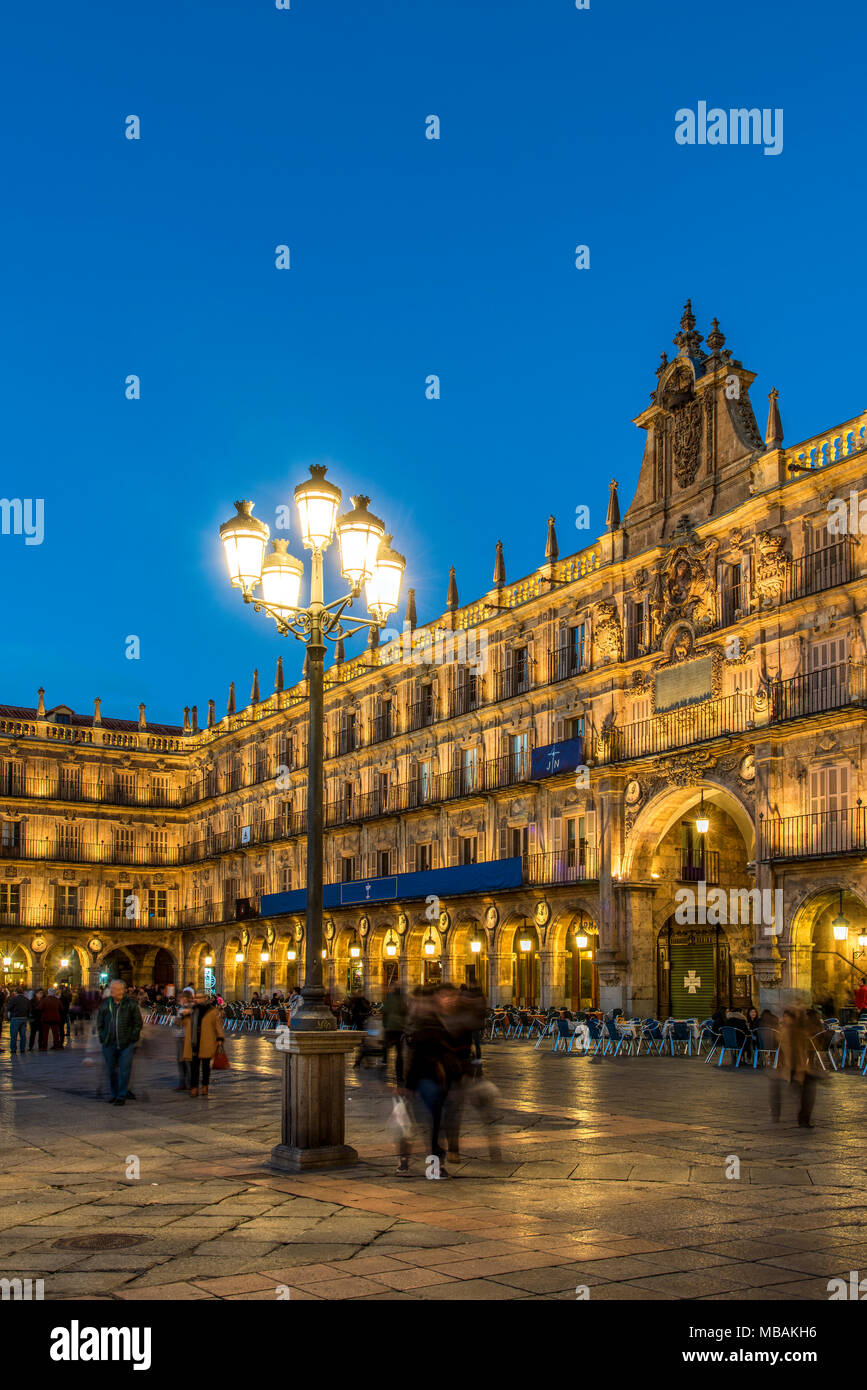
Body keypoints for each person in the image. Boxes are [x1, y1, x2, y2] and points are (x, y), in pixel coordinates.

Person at [97, 980, 143, 1105]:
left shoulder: (130, 1004)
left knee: (124, 1070)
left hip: (126, 1043)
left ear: (122, 990)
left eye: (116, 988)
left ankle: (121, 1096)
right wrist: (102, 1036)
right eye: (112, 988)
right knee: (111, 1070)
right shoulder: (106, 1004)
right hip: (108, 1042)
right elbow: (100, 1022)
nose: (113, 991)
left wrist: (132, 1037)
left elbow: (138, 1023)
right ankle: (114, 1093)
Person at [771, 1006, 818, 1128]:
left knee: (806, 1093)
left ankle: (802, 1119)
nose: (785, 1019)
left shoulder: (794, 1030)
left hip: (798, 1068)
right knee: (805, 1093)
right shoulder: (788, 1032)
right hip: (794, 1068)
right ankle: (802, 1119)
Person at [182, 991, 225, 1096]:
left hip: (207, 1041)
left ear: (205, 998)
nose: (197, 999)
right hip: (194, 1041)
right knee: (194, 1066)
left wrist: (220, 1038)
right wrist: (184, 1016)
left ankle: (205, 1086)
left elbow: (217, 1025)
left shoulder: (212, 1011)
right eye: (195, 997)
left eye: (199, 997)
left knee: (206, 1066)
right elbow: (184, 1024)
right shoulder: (192, 1010)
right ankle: (194, 1087)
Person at [381, 985, 407, 1085]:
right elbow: (406, 1012)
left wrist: (384, 1024)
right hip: (400, 1028)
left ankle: (384, 1059)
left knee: (386, 1044)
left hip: (390, 1026)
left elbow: (385, 1012)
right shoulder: (402, 1000)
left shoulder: (389, 999)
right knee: (399, 1052)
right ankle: (399, 1075)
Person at [175, 988, 194, 1090]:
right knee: (180, 1060)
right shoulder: (182, 1008)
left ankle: (190, 1082)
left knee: (187, 1060)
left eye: (181, 998)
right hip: (179, 1036)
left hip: (186, 1037)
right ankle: (183, 1082)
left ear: (186, 998)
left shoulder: (192, 1009)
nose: (179, 1000)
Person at [7, 986, 30, 1054]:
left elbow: (9, 1008)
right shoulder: (26, 999)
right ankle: (22, 1049)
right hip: (24, 1018)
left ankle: (13, 1049)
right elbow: (29, 1009)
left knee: (14, 1035)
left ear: (16, 992)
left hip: (15, 1018)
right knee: (23, 1035)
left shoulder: (14, 999)